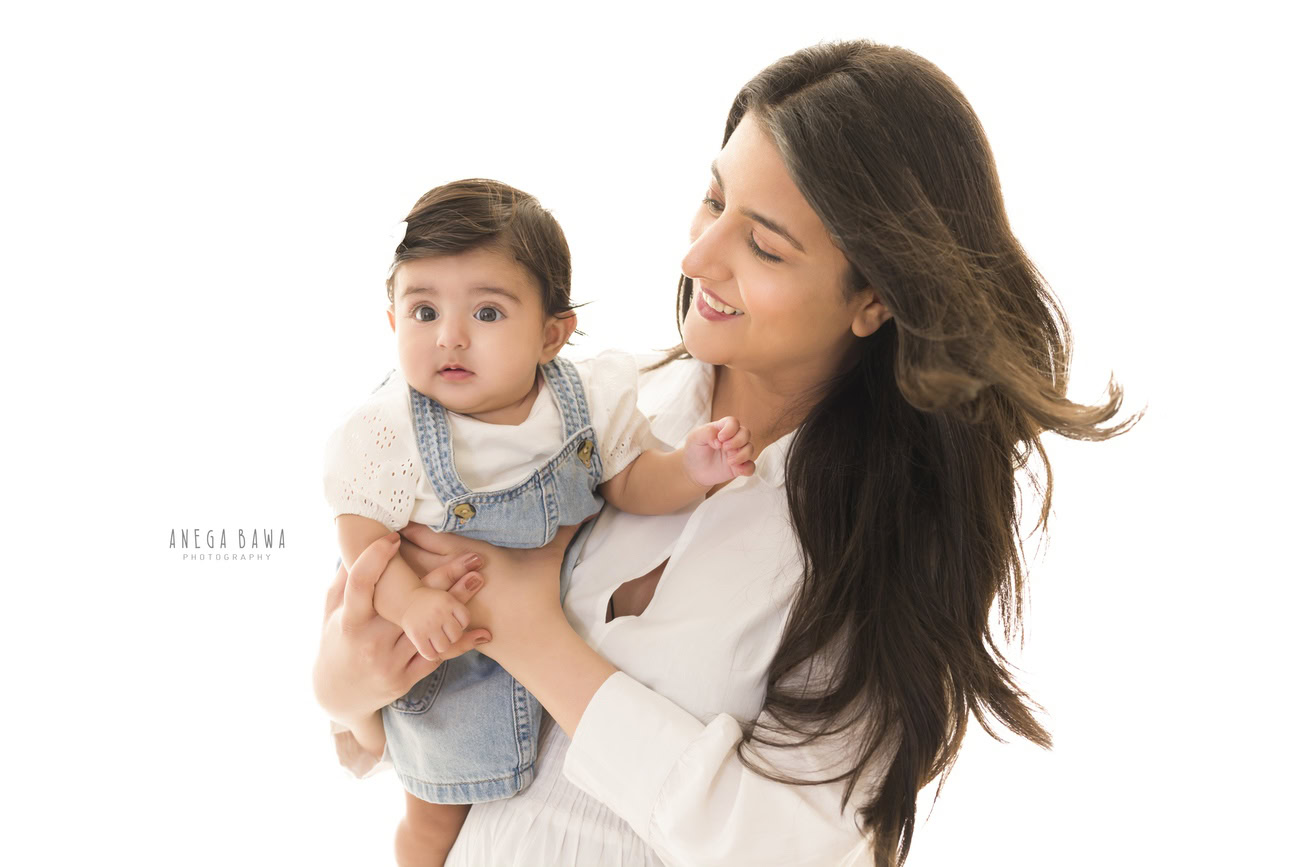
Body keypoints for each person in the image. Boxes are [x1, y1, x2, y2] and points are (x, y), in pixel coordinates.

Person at [313, 39, 1137, 867]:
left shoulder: (878, 541)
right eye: (713, 201)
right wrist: (347, 691)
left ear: (874, 300)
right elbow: (400, 709)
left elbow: (798, 849)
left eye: (767, 246)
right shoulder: (593, 412)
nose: (697, 258)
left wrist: (532, 636)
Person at [322, 178, 756, 865]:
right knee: (434, 823)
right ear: (392, 321)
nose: (450, 337)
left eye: (488, 313)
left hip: (545, 673)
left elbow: (629, 482)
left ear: (552, 334)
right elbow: (362, 537)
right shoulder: (392, 427)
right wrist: (413, 601)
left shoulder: (587, 403)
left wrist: (690, 470)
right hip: (444, 665)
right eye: (423, 310)